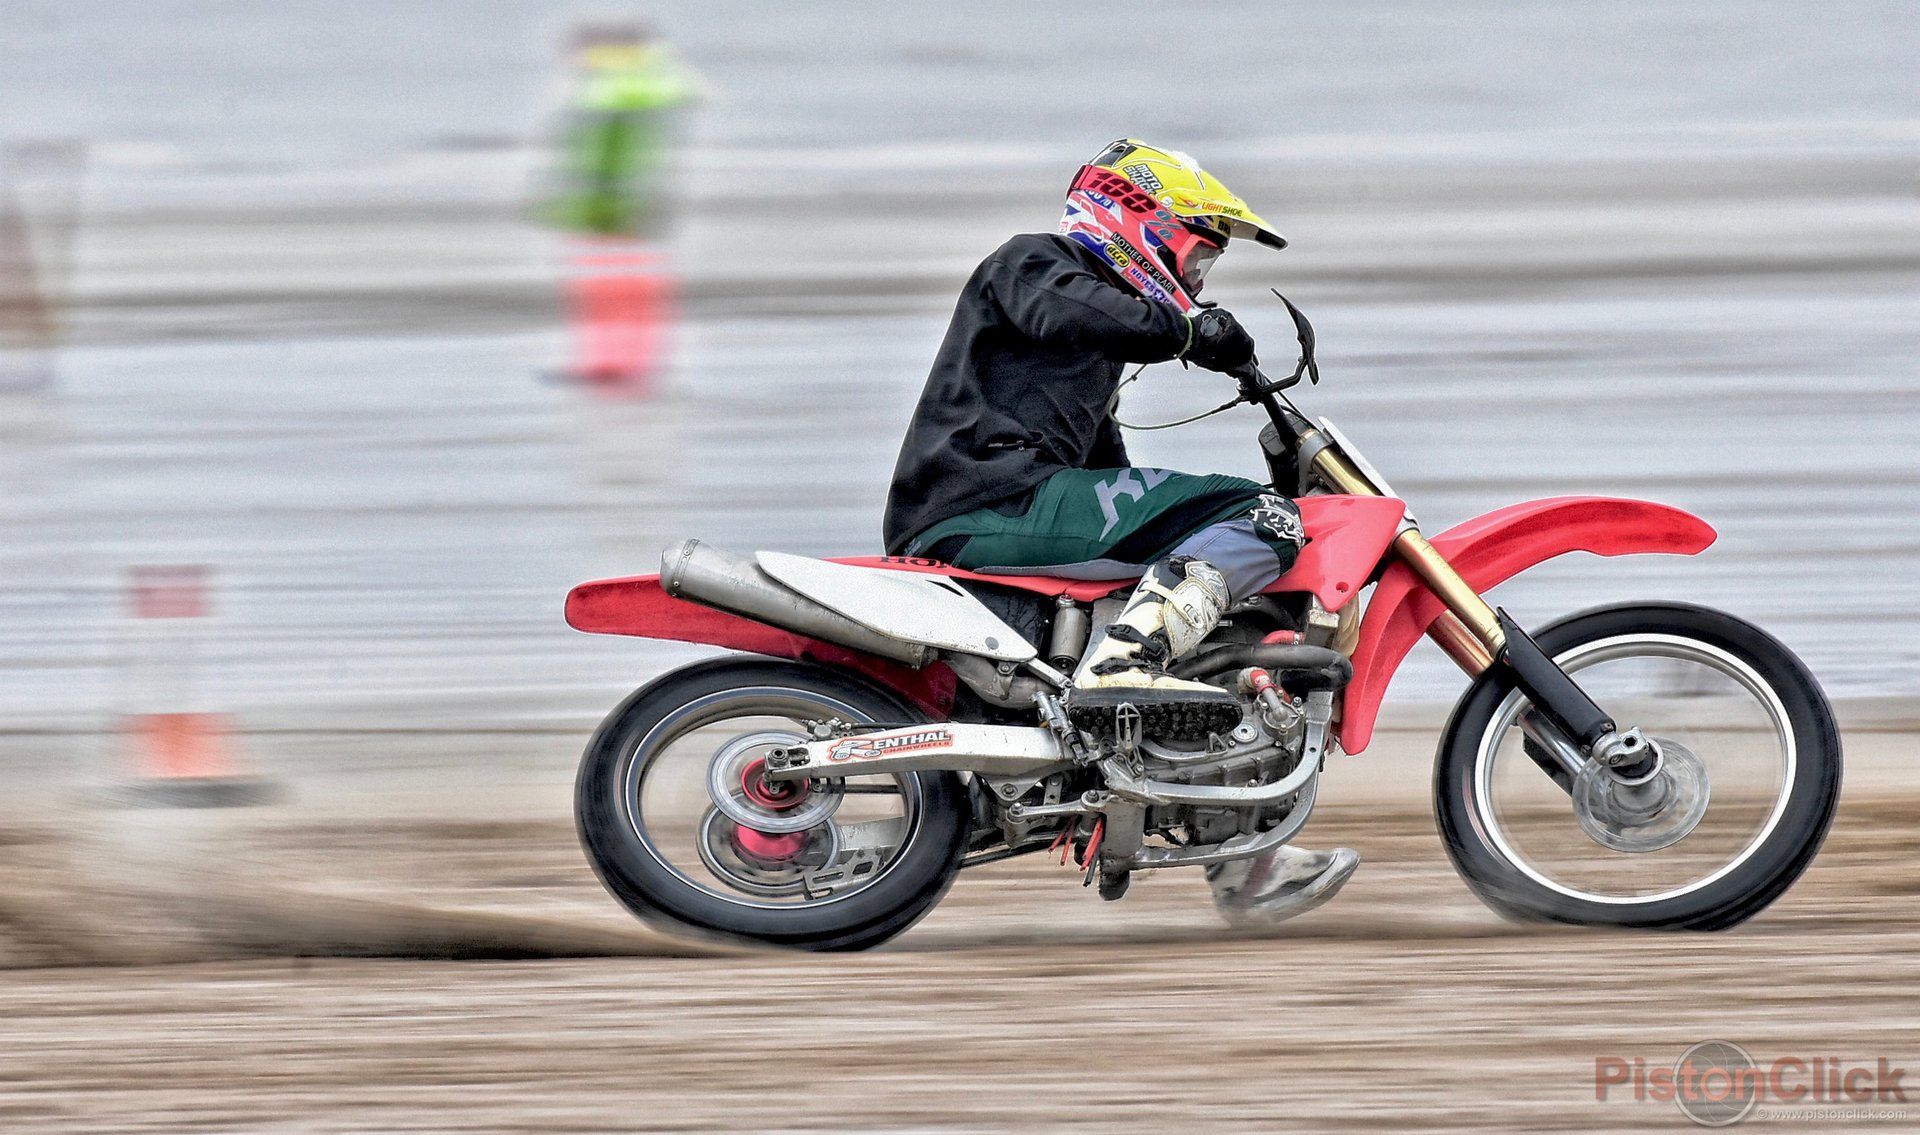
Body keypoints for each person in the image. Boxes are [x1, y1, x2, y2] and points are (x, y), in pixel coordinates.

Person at [883, 140, 1357, 922]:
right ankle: (1122, 666)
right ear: (1140, 216)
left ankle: (1244, 859)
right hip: (984, 501)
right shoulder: (1035, 264)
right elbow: (1072, 310)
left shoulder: (1089, 343)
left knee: (1219, 603)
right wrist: (1188, 331)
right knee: (1261, 518)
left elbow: (1105, 464)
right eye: (1198, 251)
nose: (1199, 276)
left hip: (1022, 500)